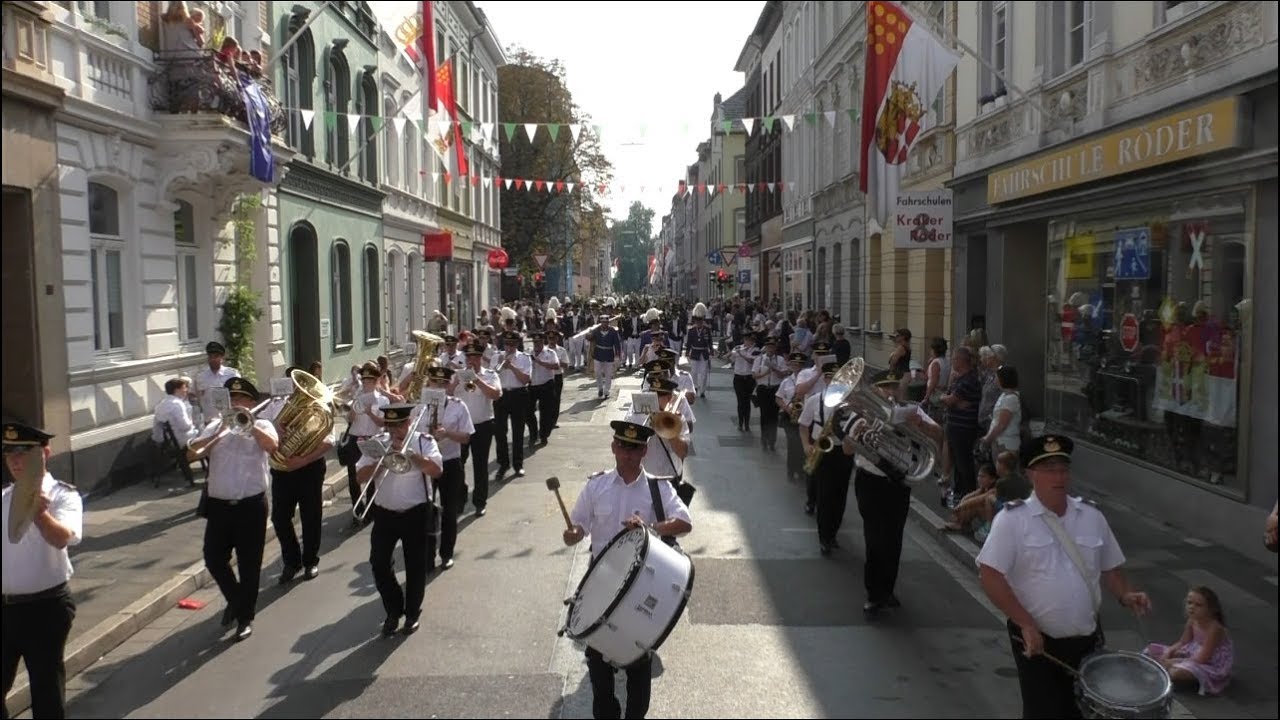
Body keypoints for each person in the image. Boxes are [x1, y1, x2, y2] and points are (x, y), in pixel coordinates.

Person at [977, 435, 1152, 719]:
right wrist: (1025, 623)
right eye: (1049, 470)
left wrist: (1125, 594)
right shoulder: (1012, 520)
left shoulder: (1092, 516)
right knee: (1044, 712)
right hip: (1037, 641)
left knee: (1085, 712)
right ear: (1031, 474)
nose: (1059, 477)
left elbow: (1111, 567)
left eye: (1063, 469)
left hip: (1087, 639)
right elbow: (989, 575)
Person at [562, 421, 693, 720]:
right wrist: (573, 534)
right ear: (613, 447)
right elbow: (578, 527)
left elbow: (684, 522)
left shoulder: (658, 488)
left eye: (635, 449)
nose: (628, 454)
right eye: (623, 447)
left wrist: (651, 528)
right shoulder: (596, 486)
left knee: (637, 658)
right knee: (596, 659)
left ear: (644, 451)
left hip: (639, 585)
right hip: (600, 582)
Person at [187, 377, 279, 642]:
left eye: (241, 400)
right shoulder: (217, 426)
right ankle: (237, 602)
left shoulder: (262, 424)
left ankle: (245, 618)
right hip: (219, 507)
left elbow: (272, 447)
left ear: (251, 403)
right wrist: (218, 433)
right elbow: (192, 454)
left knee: (250, 564)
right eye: (233, 400)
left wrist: (249, 426)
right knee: (213, 558)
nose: (237, 404)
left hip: (251, 506)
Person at [2, 421, 82, 720]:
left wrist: (40, 513)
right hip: (5, 609)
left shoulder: (62, 495)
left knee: (46, 691)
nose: (16, 461)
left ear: (44, 454)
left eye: (24, 454)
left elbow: (62, 538)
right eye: (10, 455)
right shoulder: (4, 498)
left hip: (45, 607)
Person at [849, 371, 941, 614]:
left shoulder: (912, 410)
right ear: (876, 390)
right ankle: (873, 593)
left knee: (894, 539)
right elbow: (848, 449)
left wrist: (918, 425)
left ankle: (887, 590)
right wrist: (858, 434)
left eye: (893, 386)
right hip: (870, 479)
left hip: (899, 481)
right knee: (874, 537)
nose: (890, 391)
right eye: (884, 387)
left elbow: (938, 434)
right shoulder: (864, 413)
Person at [356, 405, 443, 637]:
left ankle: (412, 613)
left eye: (401, 425)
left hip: (415, 512)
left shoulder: (423, 441)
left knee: (415, 565)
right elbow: (360, 477)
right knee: (379, 563)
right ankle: (394, 609)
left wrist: (413, 456)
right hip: (384, 513)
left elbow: (436, 471)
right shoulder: (377, 444)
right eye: (392, 426)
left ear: (409, 422)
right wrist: (382, 461)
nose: (396, 431)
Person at [263, 367, 334, 584]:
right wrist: (275, 427)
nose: (296, 390)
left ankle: (311, 561)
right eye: (294, 385)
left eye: (300, 386)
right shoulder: (273, 406)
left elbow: (328, 442)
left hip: (308, 469)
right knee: (279, 518)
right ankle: (292, 561)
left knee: (310, 516)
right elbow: (261, 432)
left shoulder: (319, 409)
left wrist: (303, 460)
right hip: (282, 469)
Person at [414, 367, 473, 570]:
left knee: (449, 512)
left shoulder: (458, 406)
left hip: (450, 462)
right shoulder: (418, 408)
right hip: (427, 462)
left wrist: (447, 433)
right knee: (427, 510)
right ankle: (427, 557)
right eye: (433, 383)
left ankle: (446, 553)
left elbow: (466, 437)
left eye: (442, 384)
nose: (437, 387)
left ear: (449, 385)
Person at [1143, 585, 1233, 696]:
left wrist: (1173, 662)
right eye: (1189, 603)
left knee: (1176, 672)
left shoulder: (1215, 628)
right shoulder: (1192, 620)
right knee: (1150, 650)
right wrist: (1169, 652)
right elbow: (1183, 642)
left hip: (1209, 662)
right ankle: (1161, 669)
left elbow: (1202, 658)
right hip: (1191, 652)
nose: (1192, 607)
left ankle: (1161, 674)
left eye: (1198, 605)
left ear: (1211, 609)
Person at [456, 342, 502, 517]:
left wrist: (477, 380)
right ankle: (460, 498)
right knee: (458, 465)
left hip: (482, 425)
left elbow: (496, 395)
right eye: (469, 357)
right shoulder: (458, 375)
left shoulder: (490, 375)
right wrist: (457, 380)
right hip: (461, 427)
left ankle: (479, 502)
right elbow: (449, 394)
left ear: (481, 358)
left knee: (480, 465)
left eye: (475, 357)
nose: (472, 360)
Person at [492, 331, 532, 482]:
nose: (508, 347)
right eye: (506, 344)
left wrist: (512, 367)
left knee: (518, 431)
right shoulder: (497, 357)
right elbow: (492, 375)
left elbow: (525, 380)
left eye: (511, 344)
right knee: (500, 432)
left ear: (516, 344)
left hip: (518, 395)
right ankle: (503, 465)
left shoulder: (524, 358)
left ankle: (518, 464)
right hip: (501, 396)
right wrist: (501, 364)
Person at [192, 341, 240, 423]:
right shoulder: (200, 377)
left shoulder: (232, 374)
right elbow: (193, 396)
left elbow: (239, 395)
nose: (213, 359)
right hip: (209, 421)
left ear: (222, 358)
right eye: (210, 357)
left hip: (229, 420)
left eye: (216, 356)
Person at [153, 376, 198, 446]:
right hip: (185, 440)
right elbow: (185, 427)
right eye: (184, 387)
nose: (186, 390)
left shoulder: (161, 404)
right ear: (177, 390)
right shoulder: (177, 404)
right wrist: (191, 420)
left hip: (170, 441)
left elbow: (156, 427)